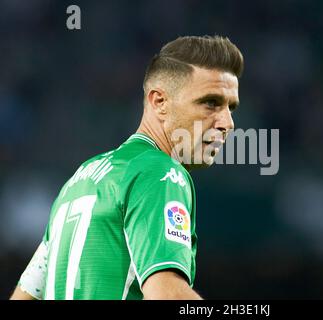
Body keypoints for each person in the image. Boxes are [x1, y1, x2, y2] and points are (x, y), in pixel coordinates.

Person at [10, 35, 243, 300]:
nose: (227, 123)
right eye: (210, 103)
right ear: (159, 102)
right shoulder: (160, 173)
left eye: (231, 107)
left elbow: (24, 296)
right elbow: (167, 296)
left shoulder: (78, 180)